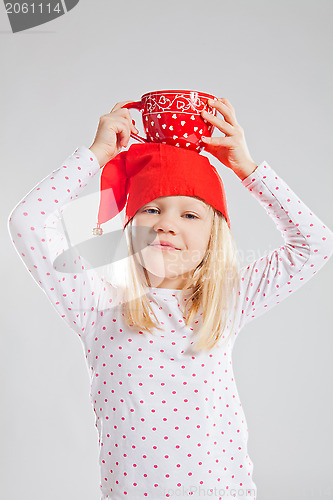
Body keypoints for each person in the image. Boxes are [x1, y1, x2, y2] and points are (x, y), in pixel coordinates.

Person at [8, 97, 333, 500]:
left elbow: (314, 245)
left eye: (190, 215)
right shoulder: (96, 304)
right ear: (127, 229)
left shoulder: (229, 300)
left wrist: (247, 170)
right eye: (149, 210)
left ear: (215, 235)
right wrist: (97, 155)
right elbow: (27, 222)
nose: (165, 225)